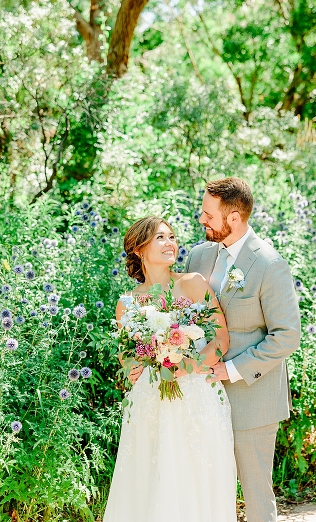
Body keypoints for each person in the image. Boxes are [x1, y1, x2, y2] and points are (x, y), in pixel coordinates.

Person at [103, 216, 237, 522]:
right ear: (138, 249)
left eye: (172, 237)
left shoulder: (193, 284)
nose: (170, 243)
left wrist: (186, 366)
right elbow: (126, 352)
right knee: (149, 478)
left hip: (196, 396)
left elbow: (221, 339)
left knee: (195, 477)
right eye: (160, 238)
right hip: (149, 401)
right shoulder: (127, 302)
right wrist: (133, 366)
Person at [186, 177, 301, 522]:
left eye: (209, 215)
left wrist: (232, 369)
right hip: (201, 396)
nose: (202, 220)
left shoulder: (269, 264)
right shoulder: (198, 256)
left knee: (256, 498)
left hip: (253, 400)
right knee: (203, 493)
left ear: (234, 218)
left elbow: (286, 336)